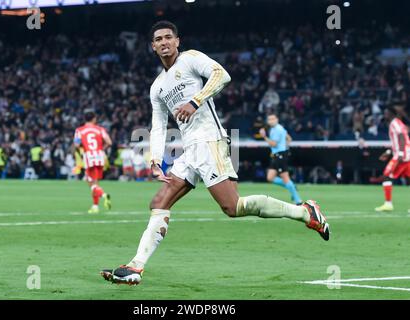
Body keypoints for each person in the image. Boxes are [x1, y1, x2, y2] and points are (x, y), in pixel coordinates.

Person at [101, 21, 330, 286]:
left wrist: (195, 101)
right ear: (152, 46)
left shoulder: (190, 59)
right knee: (158, 203)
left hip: (211, 141)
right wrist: (155, 160)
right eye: (158, 39)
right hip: (190, 149)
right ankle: (135, 267)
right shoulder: (157, 87)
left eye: (168, 37)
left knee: (232, 207)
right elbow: (158, 125)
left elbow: (222, 75)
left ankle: (305, 212)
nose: (164, 42)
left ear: (177, 41)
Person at [74, 111, 113, 214]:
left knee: (90, 182)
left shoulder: (79, 130)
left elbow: (76, 145)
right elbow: (109, 142)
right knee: (95, 183)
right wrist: (101, 149)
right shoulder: (100, 129)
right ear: (94, 119)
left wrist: (82, 152)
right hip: (100, 156)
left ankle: (104, 195)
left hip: (89, 157)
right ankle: (95, 206)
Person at [259, 114, 302, 204]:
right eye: (269, 119)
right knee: (270, 177)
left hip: (280, 155)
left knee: (285, 177)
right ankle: (292, 186)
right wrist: (285, 148)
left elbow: (273, 144)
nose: (271, 121)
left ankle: (298, 200)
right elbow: (289, 139)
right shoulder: (279, 128)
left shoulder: (277, 130)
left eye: (273, 119)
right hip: (277, 154)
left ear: (277, 119)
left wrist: (264, 137)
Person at [375, 105, 410, 212]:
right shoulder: (397, 123)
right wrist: (389, 152)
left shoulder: (395, 123)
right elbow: (398, 140)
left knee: (386, 176)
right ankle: (388, 204)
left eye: (386, 113)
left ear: (391, 114)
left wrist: (399, 153)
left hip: (402, 156)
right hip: (406, 154)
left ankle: (388, 204)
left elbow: (401, 137)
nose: (385, 115)